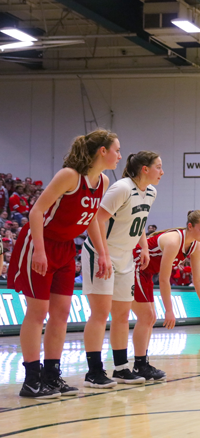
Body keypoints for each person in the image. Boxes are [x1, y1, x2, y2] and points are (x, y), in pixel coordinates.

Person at [8, 129, 118, 399]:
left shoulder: (102, 181)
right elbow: (36, 211)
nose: (119, 155)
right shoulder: (69, 175)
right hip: (40, 243)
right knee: (38, 312)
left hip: (66, 249)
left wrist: (103, 252)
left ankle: (51, 376)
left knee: (61, 314)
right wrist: (40, 251)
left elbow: (91, 218)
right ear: (102, 151)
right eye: (116, 149)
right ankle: (31, 380)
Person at [80, 150, 162, 388]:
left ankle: (120, 368)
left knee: (122, 315)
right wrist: (103, 253)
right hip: (101, 253)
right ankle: (94, 371)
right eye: (158, 166)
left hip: (126, 257)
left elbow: (140, 220)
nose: (162, 171)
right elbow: (95, 219)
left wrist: (144, 246)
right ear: (144, 169)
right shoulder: (122, 188)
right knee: (100, 313)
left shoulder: (151, 192)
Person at [132, 210, 200, 381]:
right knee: (147, 317)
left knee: (150, 319)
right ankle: (139, 365)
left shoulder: (195, 246)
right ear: (190, 226)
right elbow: (163, 279)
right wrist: (169, 310)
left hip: (147, 273)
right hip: (134, 267)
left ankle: (142, 363)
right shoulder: (174, 241)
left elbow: (198, 279)